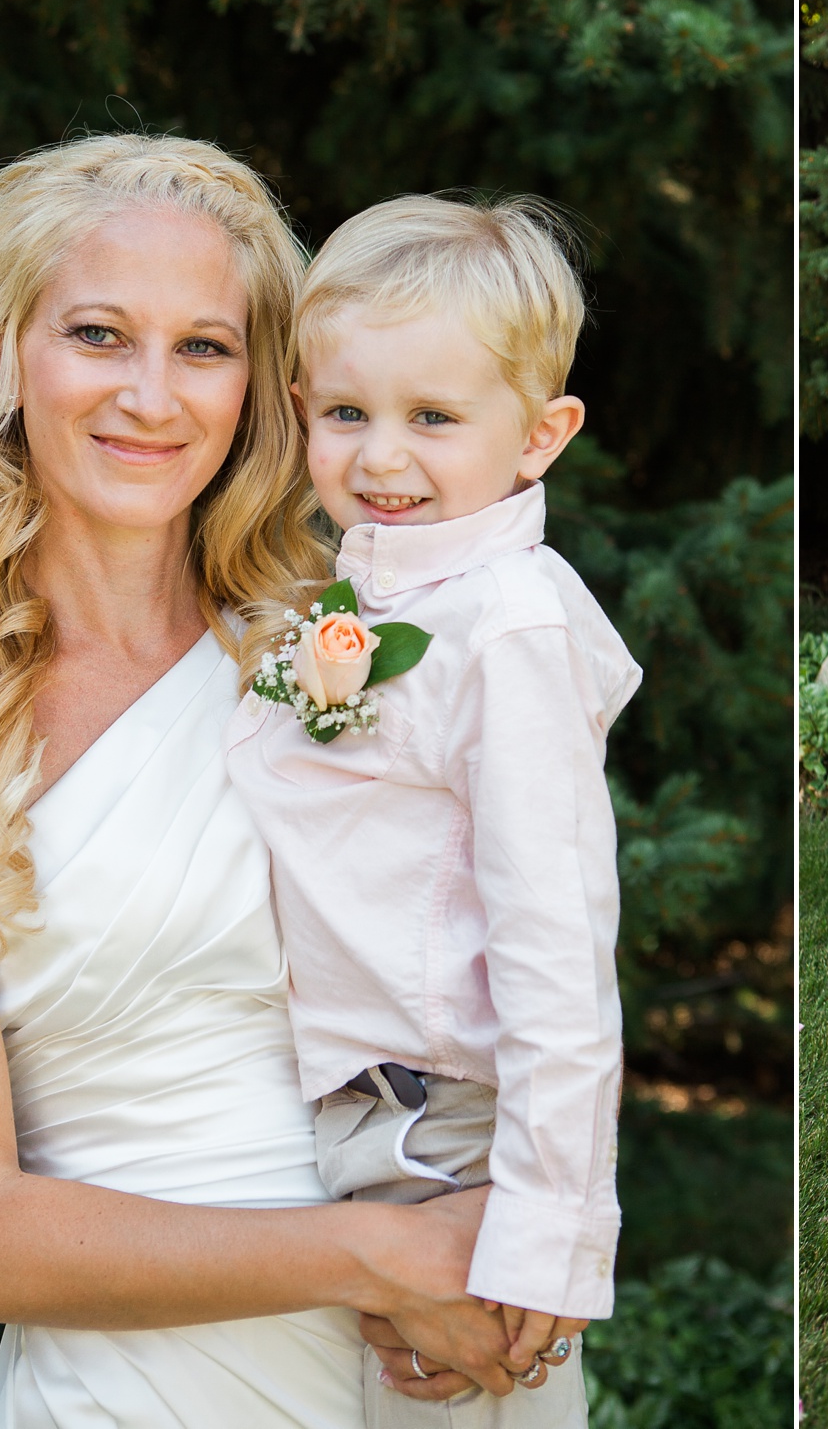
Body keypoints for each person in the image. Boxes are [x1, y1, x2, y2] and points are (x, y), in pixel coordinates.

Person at [0, 134, 548, 1427]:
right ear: (4, 355)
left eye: (204, 347)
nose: (152, 395)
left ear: (259, 385)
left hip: (435, 1357)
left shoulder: (351, 650)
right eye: (99, 334)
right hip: (139, 1387)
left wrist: (522, 1211)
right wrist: (369, 1259)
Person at [224, 194, 639, 1428]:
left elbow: (556, 941)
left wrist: (544, 1235)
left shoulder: (507, 620)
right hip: (364, 1115)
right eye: (347, 412)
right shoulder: (364, 592)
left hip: (448, 1133)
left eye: (434, 418)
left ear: (540, 434)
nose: (383, 457)